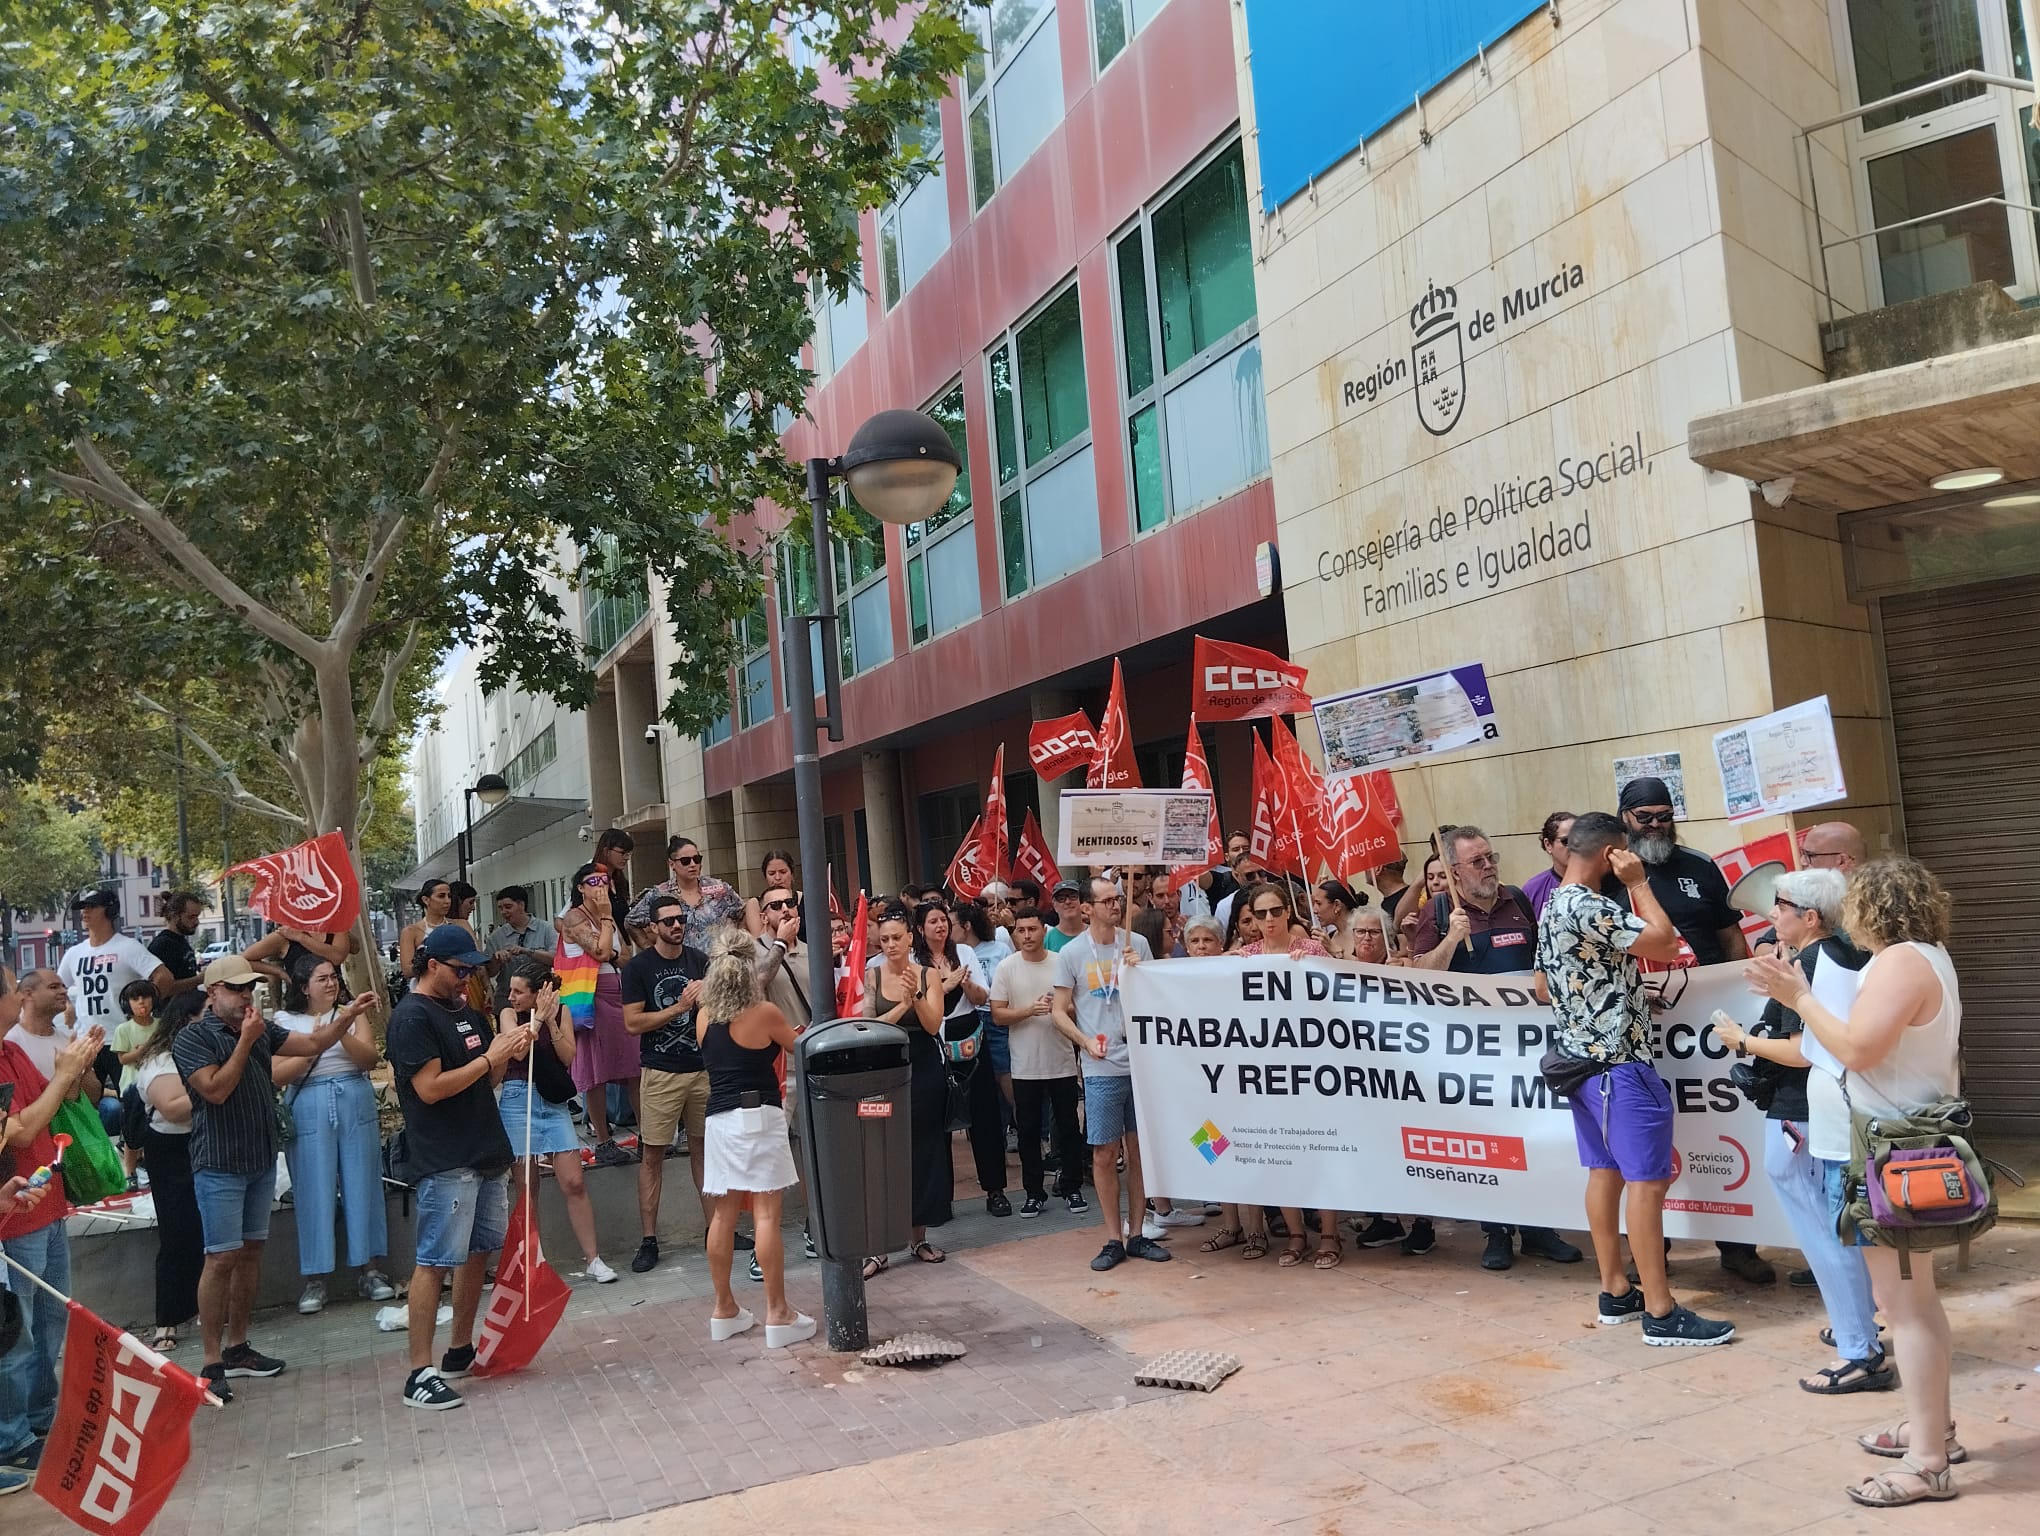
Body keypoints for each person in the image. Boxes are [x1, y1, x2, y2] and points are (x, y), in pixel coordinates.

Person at [1745, 859, 1969, 1507]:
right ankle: (1936, 1431)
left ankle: (1929, 1461)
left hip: (1894, 1154)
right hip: (1899, 1147)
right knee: (1910, 1301)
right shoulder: (1925, 957)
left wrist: (1800, 999)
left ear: (1874, 908)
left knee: (1905, 1307)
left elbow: (1859, 1049)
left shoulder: (1901, 962)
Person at [1535, 813, 1734, 1347]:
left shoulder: (1552, 904)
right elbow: (1666, 944)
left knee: (1604, 1174)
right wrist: (1639, 884)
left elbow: (1542, 986)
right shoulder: (1594, 904)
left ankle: (1615, 1290)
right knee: (1647, 1183)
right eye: (1626, 854)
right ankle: (1662, 1311)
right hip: (1621, 1067)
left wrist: (1612, 996)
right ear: (1610, 855)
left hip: (1580, 1065)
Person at [1709, 870, 1882, 1394]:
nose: (1771, 913)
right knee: (1837, 1229)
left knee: (1826, 1234)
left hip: (1801, 1111)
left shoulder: (1807, 965)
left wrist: (1741, 1041)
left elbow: (1803, 1052)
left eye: (1779, 905)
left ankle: (1859, 1347)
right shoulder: (1848, 955)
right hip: (1828, 1110)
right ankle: (1859, 1327)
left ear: (1809, 916)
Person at [1607, 777, 1771, 1286]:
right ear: (1624, 818)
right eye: (1644, 817)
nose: (1656, 826)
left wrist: (1742, 998)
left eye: (1664, 815)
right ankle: (1654, 1251)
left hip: (1706, 1023)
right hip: (1639, 1022)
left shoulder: (1699, 866)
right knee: (1650, 1133)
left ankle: (1738, 1245)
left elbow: (1730, 939)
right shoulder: (1610, 874)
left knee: (1720, 1122)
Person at [171, 953, 355, 1401]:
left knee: (250, 1253)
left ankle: (238, 1347)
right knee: (220, 1258)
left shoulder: (256, 1028)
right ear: (212, 992)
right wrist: (246, 1041)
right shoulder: (194, 1038)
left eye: (248, 988)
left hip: (257, 1160)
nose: (244, 996)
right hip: (218, 1163)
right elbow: (215, 1090)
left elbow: (311, 1045)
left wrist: (346, 1016)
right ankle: (212, 1359)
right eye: (235, 989)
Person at [1411, 826, 1584, 1272]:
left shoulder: (1517, 900)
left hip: (1528, 1048)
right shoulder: (1440, 909)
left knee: (1534, 1133)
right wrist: (1451, 939)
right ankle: (1497, 1231)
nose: (1489, 867)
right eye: (1478, 862)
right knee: (1490, 1138)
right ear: (1454, 871)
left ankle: (1540, 1228)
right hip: (1474, 1053)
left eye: (1491, 858)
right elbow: (1419, 976)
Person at [386, 926, 529, 1410]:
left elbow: (488, 1077)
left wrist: (510, 1048)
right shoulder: (412, 1018)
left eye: (471, 970)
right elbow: (429, 1088)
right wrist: (489, 1057)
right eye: (460, 970)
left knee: (479, 1251)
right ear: (433, 966)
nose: (467, 978)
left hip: (484, 1146)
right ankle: (417, 1371)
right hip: (445, 1156)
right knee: (435, 1261)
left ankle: (460, 1347)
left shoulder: (464, 1010)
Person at [0, 987, 101, 1483]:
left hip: (41, 1200)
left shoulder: (12, 1049)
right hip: (15, 1217)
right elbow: (18, 1130)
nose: (19, 997)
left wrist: (78, 1067)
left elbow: (58, 1101)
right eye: (13, 989)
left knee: (50, 1319)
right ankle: (12, 1436)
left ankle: (38, 1420)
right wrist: (63, 1075)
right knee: (15, 1335)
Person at [697, 929, 812, 1347]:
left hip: (719, 1119)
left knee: (724, 1215)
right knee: (766, 1214)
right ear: (750, 968)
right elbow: (800, 1048)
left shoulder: (704, 1013)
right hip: (759, 1112)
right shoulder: (764, 1012)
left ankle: (724, 1307)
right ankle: (778, 1312)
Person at [1052, 877, 1169, 1272]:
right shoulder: (1071, 953)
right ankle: (1111, 1237)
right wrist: (1084, 1041)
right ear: (1086, 908)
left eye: (1118, 899)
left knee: (1139, 1151)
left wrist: (1142, 975)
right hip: (1102, 1065)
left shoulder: (1137, 943)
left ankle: (1138, 1233)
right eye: (1105, 901)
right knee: (1104, 1153)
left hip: (1143, 1063)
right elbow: (1058, 1010)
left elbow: (1160, 997)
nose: (1115, 906)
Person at [272, 958, 393, 1315]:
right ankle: (315, 1276)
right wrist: (316, 1044)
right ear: (303, 986)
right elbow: (279, 1074)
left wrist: (339, 1026)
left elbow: (369, 1058)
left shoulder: (351, 1012)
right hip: (309, 1100)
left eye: (334, 977)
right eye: (321, 979)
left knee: (363, 1182)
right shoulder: (284, 1022)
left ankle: (369, 1269)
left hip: (353, 1095)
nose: (330, 984)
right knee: (313, 1187)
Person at [498, 965, 615, 1283]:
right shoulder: (509, 1014)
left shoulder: (560, 1011)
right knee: (526, 1186)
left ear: (540, 992)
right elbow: (518, 1053)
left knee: (574, 1181)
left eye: (519, 991)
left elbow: (568, 1057)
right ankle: (531, 1260)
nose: (512, 996)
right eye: (511, 990)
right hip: (518, 1097)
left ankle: (593, 1259)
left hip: (552, 1102)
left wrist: (549, 1018)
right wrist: (535, 1020)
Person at [619, 892, 710, 1275]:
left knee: (705, 1150)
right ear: (654, 926)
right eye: (669, 921)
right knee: (652, 1155)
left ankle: (715, 1229)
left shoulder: (699, 961)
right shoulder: (638, 968)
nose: (677, 926)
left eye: (681, 920)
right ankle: (649, 1240)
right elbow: (632, 1023)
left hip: (702, 1068)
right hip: (659, 1071)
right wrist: (678, 1007)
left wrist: (707, 1001)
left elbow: (717, 1011)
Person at [861, 909, 946, 1275]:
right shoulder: (872, 975)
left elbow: (932, 1024)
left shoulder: (929, 975)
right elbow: (867, 1026)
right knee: (881, 1153)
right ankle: (879, 1247)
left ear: (911, 938)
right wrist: (902, 1004)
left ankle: (919, 1237)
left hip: (924, 1069)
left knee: (922, 1150)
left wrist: (919, 996)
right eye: (885, 940)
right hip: (882, 1072)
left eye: (897, 937)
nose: (892, 945)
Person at [990, 905, 1084, 1220]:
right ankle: (1033, 1193)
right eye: (1021, 930)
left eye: (1033, 929)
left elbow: (1076, 1006)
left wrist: (1062, 1009)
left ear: (1044, 930)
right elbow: (998, 1015)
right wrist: (1029, 1010)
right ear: (1014, 933)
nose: (1027, 935)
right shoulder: (1006, 968)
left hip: (1062, 1061)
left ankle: (1072, 1187)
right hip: (1025, 1065)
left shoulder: (1062, 963)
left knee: (1069, 1127)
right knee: (1028, 1131)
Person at [913, 901, 1007, 1216]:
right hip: (934, 1042)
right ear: (920, 929)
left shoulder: (965, 954)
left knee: (985, 1116)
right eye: (933, 922)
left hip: (971, 1041)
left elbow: (984, 997)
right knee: (938, 1122)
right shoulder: (915, 961)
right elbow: (919, 1001)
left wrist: (964, 982)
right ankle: (942, 1199)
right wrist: (944, 984)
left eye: (943, 920)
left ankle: (995, 1190)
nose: (940, 926)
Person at [134, 992, 206, 1351]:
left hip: (206, 1142)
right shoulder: (160, 1059)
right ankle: (168, 1318)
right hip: (170, 1149)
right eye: (205, 1014)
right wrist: (216, 1084)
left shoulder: (215, 1048)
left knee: (213, 1228)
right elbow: (173, 1108)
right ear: (186, 1019)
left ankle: (207, 1307)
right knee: (178, 1233)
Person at [559, 861, 640, 1166]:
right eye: (592, 881)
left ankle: (647, 1134)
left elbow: (624, 954)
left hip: (617, 992)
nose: (600, 886)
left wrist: (610, 939)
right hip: (590, 995)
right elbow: (601, 952)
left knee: (634, 1064)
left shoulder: (607, 918)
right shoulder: (573, 918)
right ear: (580, 888)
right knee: (595, 1071)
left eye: (604, 880)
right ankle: (603, 1139)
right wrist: (606, 920)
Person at [59, 889, 172, 1033]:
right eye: (83, 908)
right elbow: (58, 987)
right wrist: (68, 1005)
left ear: (110, 911)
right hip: (86, 1038)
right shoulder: (74, 953)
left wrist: (143, 1007)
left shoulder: (128, 947)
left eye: (92, 907)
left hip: (121, 1037)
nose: (85, 912)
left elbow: (164, 977)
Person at [626, 835, 743, 955]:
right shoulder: (660, 893)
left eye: (696, 859)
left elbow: (743, 913)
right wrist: (653, 952)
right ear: (672, 864)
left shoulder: (719, 889)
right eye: (685, 861)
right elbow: (631, 922)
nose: (692, 864)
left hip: (719, 962)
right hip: (680, 964)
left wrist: (736, 944)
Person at [484, 886, 558, 1009]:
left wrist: (527, 951)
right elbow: (489, 972)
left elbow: (555, 959)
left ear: (521, 905)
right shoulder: (496, 937)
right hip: (507, 1001)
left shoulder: (545, 929)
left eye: (508, 907)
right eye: (500, 908)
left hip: (539, 1000)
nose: (504, 912)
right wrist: (496, 960)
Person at [148, 889, 207, 998]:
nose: (196, 922)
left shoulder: (180, 941)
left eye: (197, 916)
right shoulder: (163, 945)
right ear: (174, 916)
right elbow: (161, 989)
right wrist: (198, 979)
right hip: (171, 1011)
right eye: (191, 917)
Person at [398, 879, 456, 984]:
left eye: (449, 896)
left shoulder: (460, 926)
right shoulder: (411, 932)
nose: (447, 901)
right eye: (441, 896)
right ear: (426, 900)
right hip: (424, 993)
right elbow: (407, 970)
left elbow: (476, 962)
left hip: (456, 989)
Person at [1521, 812, 1576, 919]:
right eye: (1567, 841)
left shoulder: (1599, 882)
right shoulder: (1533, 889)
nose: (1575, 846)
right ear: (1548, 845)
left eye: (1581, 840)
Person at [740, 849, 801, 937]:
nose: (777, 878)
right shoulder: (755, 904)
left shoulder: (805, 899)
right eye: (771, 873)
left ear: (791, 874)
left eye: (783, 872)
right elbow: (759, 941)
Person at [1312, 880, 1364, 958]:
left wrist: (1335, 950)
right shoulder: (1330, 936)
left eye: (1319, 904)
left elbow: (1371, 967)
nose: (1314, 910)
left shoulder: (1365, 934)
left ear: (1337, 905)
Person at [1044, 879, 1085, 951]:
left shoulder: (1096, 935)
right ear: (1054, 905)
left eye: (1073, 896)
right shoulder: (1047, 941)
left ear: (1082, 901)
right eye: (1061, 898)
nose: (1068, 901)